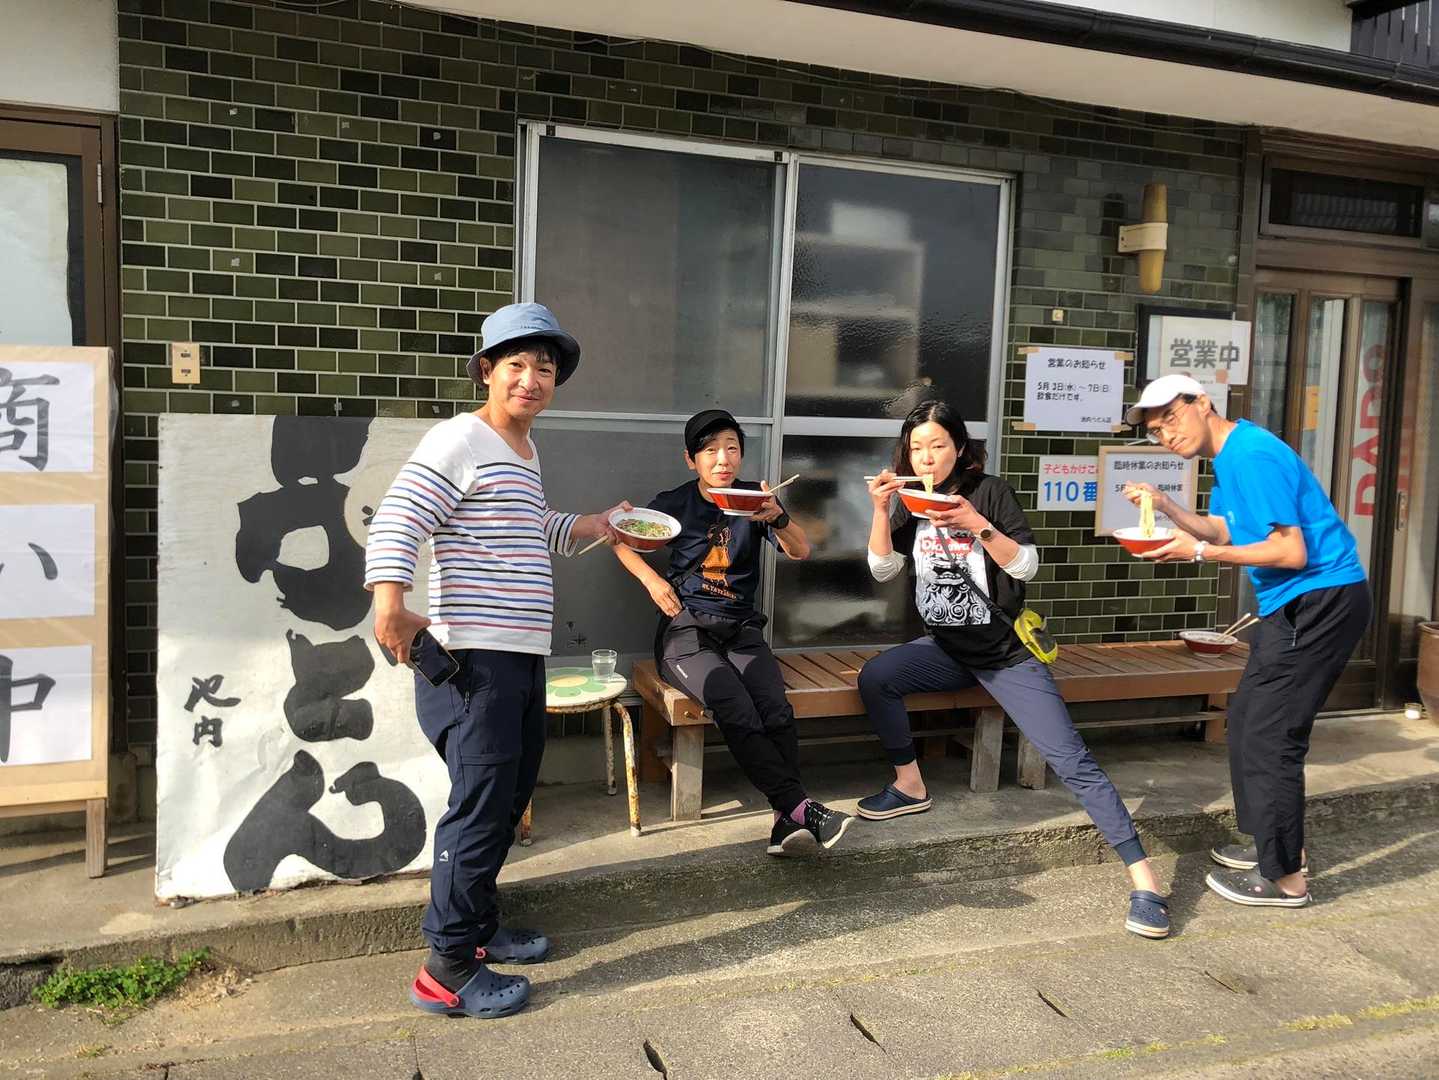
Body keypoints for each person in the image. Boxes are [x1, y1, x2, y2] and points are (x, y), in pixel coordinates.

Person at [365, 302, 626, 1019]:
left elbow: (530, 526)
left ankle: (477, 928)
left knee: (507, 800)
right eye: (516, 365)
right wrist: (389, 605)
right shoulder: (461, 438)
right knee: (480, 810)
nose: (531, 379)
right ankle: (446, 968)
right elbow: (399, 516)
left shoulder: (521, 452)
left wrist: (597, 525)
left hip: (518, 656)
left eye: (544, 368)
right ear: (487, 370)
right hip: (474, 661)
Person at [859, 399, 1171, 939]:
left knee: (1071, 759)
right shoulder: (910, 500)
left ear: (959, 447)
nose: (926, 457)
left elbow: (1026, 566)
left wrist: (976, 524)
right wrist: (881, 510)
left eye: (937, 445)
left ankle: (1145, 882)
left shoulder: (989, 492)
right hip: (948, 649)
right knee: (876, 678)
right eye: (916, 448)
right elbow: (883, 570)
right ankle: (910, 785)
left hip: (1005, 657)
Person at [1123, 373, 1369, 910]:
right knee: (1250, 722)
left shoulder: (1252, 455)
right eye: (1156, 431)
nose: (1167, 435)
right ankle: (1275, 848)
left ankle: (1286, 880)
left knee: (1272, 735)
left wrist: (1198, 554)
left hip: (1317, 600)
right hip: (1297, 604)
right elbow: (1224, 529)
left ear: (1202, 403)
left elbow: (1290, 552)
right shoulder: (1229, 456)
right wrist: (1166, 508)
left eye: (1171, 419)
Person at [613, 409, 854, 856]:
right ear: (691, 459)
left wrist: (778, 519)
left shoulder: (754, 500)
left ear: (741, 454)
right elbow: (621, 540)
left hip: (741, 628)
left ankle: (786, 820)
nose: (722, 458)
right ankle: (801, 809)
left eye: (731, 448)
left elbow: (801, 550)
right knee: (735, 707)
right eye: (709, 450)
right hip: (686, 632)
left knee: (775, 710)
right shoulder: (675, 503)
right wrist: (654, 582)